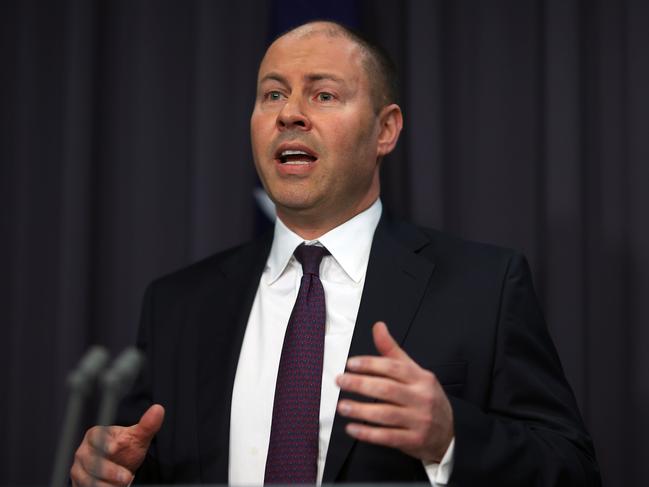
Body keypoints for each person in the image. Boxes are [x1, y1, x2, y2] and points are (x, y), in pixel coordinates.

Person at [70, 20, 601, 486]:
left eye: (323, 95)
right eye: (272, 95)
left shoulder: (484, 286)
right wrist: (115, 474)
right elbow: (142, 461)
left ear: (385, 130)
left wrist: (451, 437)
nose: (290, 114)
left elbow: (571, 468)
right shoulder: (178, 304)